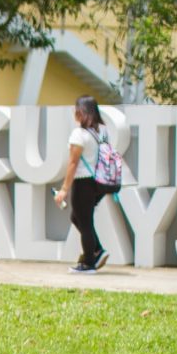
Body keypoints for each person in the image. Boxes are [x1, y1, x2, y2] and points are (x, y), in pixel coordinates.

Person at [53, 95, 112, 273]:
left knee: (85, 222)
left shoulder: (79, 134)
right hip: (99, 182)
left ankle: (88, 263)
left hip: (83, 182)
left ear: (82, 111)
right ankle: (97, 250)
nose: (74, 112)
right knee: (77, 217)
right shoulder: (102, 131)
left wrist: (64, 189)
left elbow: (73, 163)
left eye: (76, 108)